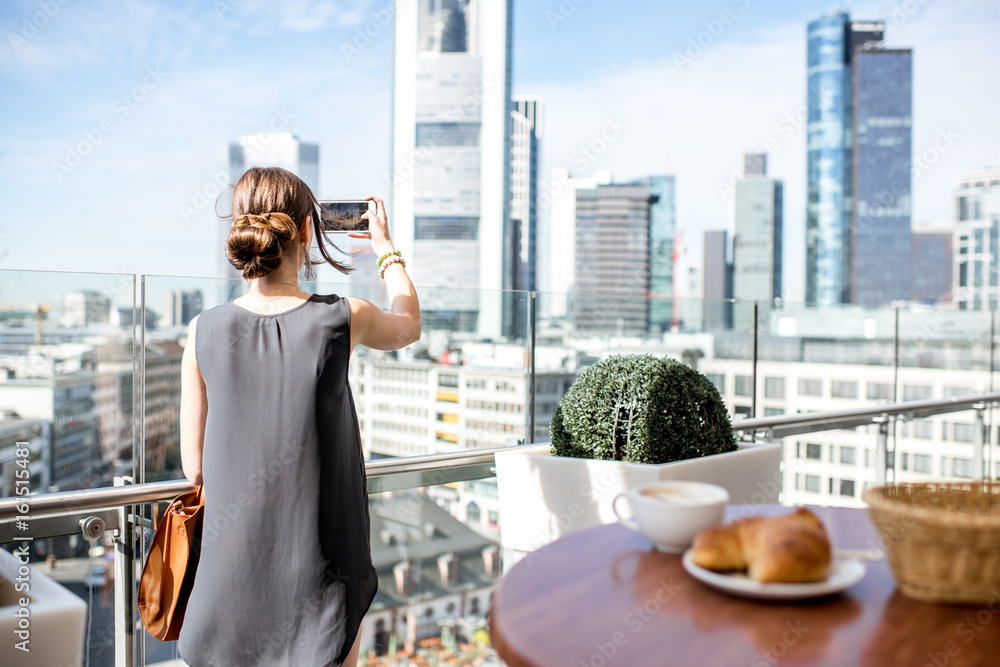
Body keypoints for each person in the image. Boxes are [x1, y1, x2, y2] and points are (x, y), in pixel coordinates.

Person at [178, 166, 420, 667]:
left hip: (228, 577)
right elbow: (409, 326)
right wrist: (385, 247)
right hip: (322, 575)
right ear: (307, 232)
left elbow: (195, 468)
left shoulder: (201, 330)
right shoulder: (342, 316)